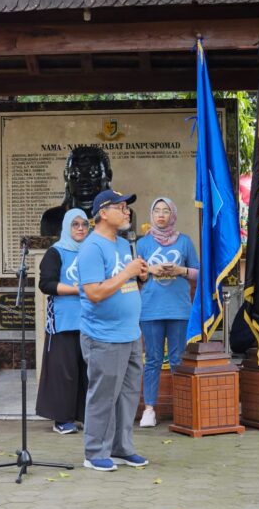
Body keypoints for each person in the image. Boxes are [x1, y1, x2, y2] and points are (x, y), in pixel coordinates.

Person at [77, 189, 149, 472]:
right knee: (103, 395)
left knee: (128, 395)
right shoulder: (92, 248)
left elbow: (125, 284)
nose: (127, 211)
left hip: (130, 333)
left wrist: (140, 278)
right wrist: (128, 273)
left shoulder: (122, 244)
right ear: (103, 213)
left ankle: (121, 448)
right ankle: (94, 452)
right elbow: (94, 292)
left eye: (127, 207)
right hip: (104, 336)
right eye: (120, 207)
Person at [135, 197, 199, 428]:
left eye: (165, 211)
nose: (161, 215)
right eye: (156, 211)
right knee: (151, 359)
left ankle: (183, 407)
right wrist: (150, 269)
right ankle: (149, 409)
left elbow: (199, 273)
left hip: (179, 309)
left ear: (172, 214)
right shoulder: (143, 244)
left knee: (177, 359)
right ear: (151, 215)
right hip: (150, 309)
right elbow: (136, 275)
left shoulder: (184, 242)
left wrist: (181, 270)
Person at [35, 208, 90, 434]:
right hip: (63, 321)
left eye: (84, 224)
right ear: (66, 227)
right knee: (63, 370)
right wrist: (77, 290)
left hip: (90, 320)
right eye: (75, 224)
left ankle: (86, 416)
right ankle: (62, 419)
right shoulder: (55, 252)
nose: (80, 229)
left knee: (88, 371)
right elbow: (46, 284)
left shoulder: (92, 250)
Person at [40, 146, 112, 236]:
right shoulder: (51, 218)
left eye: (93, 173)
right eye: (75, 174)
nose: (83, 180)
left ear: (109, 176)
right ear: (66, 177)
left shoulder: (123, 216)